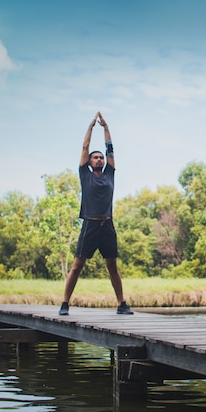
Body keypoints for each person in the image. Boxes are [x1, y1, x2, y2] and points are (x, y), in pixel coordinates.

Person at [59, 111, 133, 315]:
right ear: (89, 162)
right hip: (90, 225)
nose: (99, 159)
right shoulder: (85, 174)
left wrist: (106, 128)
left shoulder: (110, 173)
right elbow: (84, 147)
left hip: (107, 225)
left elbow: (111, 149)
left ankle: (121, 304)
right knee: (76, 266)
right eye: (95, 157)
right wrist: (91, 127)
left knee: (112, 266)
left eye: (101, 157)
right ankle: (65, 303)